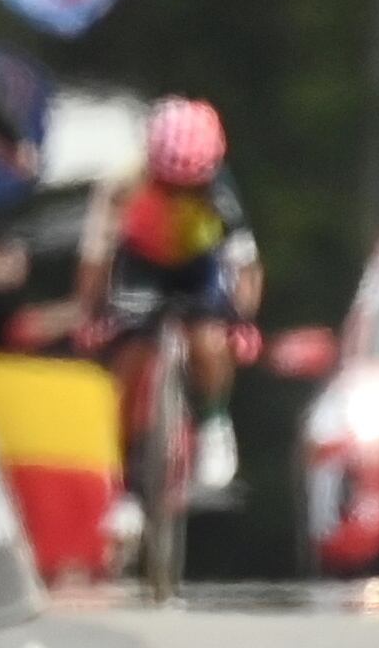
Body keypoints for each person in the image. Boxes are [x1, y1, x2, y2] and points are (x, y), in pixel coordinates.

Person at [74, 98, 263, 498]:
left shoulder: (220, 189)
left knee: (208, 340)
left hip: (198, 264)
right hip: (141, 262)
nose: (179, 192)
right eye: (168, 184)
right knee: (130, 357)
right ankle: (122, 472)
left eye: (189, 186)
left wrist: (242, 320)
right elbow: (96, 258)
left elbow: (246, 266)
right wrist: (91, 314)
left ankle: (213, 424)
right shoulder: (120, 186)